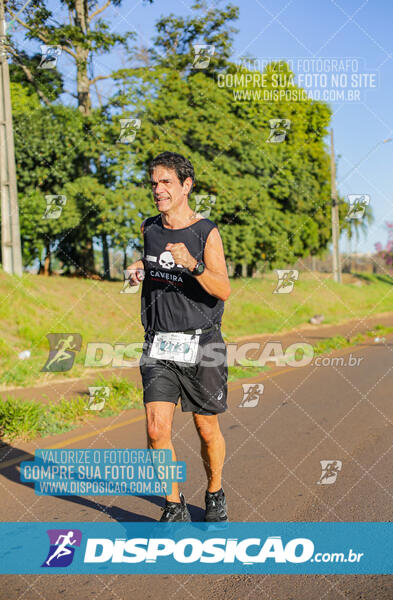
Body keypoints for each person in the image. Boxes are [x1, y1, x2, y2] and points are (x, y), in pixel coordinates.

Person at [127, 151, 231, 522]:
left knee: (206, 428)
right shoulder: (149, 228)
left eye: (166, 182)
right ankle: (174, 504)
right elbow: (156, 262)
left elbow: (222, 288)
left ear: (187, 186)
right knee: (157, 430)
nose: (158, 189)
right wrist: (139, 268)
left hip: (203, 344)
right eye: (154, 183)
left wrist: (194, 264)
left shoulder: (206, 231)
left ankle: (215, 491)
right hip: (158, 342)